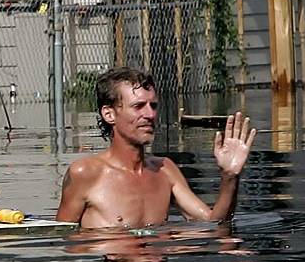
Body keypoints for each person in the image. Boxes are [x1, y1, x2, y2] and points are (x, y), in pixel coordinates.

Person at [55, 67, 256, 229]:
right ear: (109, 114)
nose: (150, 115)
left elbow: (214, 223)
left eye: (153, 106)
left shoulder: (165, 169)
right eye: (138, 106)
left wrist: (229, 177)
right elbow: (64, 241)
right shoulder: (85, 173)